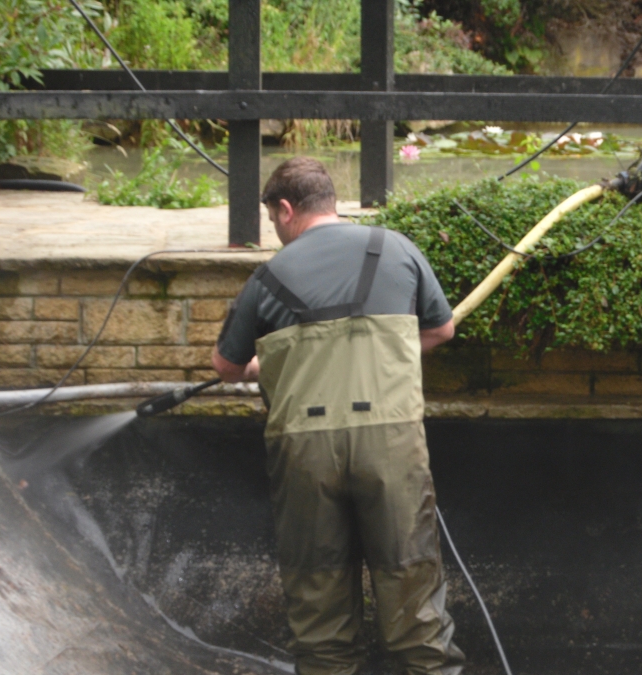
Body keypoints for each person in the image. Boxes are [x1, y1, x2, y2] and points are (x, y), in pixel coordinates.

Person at [212, 157, 464, 675]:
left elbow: (226, 366)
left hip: (305, 451)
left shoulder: (269, 276)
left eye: (272, 220)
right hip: (391, 442)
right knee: (411, 587)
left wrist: (275, 361)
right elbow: (441, 331)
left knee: (319, 597)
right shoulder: (396, 247)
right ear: (331, 202)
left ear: (286, 210)